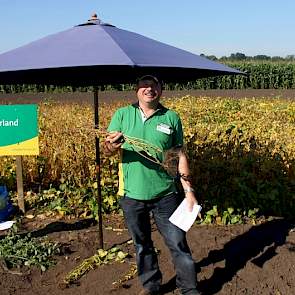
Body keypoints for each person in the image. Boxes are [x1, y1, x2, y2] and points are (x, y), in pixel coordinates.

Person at [104, 75, 200, 295]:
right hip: (131, 194)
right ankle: (152, 286)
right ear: (136, 90)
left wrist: (189, 191)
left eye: (153, 85)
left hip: (166, 194)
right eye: (144, 85)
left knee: (178, 243)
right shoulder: (122, 115)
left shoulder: (171, 117)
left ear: (161, 90)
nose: (149, 89)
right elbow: (109, 151)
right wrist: (112, 145)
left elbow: (178, 155)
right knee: (142, 244)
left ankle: (189, 288)